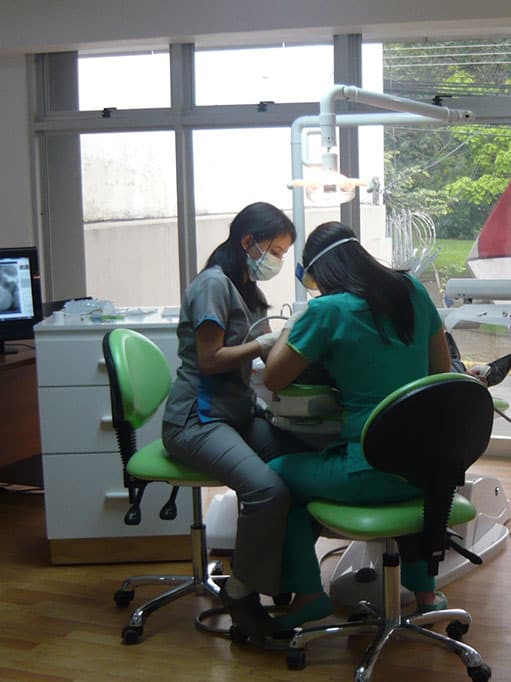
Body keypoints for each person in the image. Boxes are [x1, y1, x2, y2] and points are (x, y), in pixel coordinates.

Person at [261, 221, 454, 631]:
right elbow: (442, 372)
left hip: (371, 470)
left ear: (321, 272)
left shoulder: (326, 311)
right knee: (401, 470)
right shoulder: (413, 291)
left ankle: (309, 596)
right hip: (429, 469)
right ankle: (425, 595)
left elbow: (274, 379)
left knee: (276, 478)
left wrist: (297, 322)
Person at [161, 201, 308, 638]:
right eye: (276, 251)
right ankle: (242, 592)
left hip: (236, 413)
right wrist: (264, 344)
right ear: (249, 241)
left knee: (303, 465)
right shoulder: (213, 285)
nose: (278, 260)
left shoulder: (245, 287)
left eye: (284, 253)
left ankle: (288, 577)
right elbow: (209, 360)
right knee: (266, 489)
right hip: (197, 419)